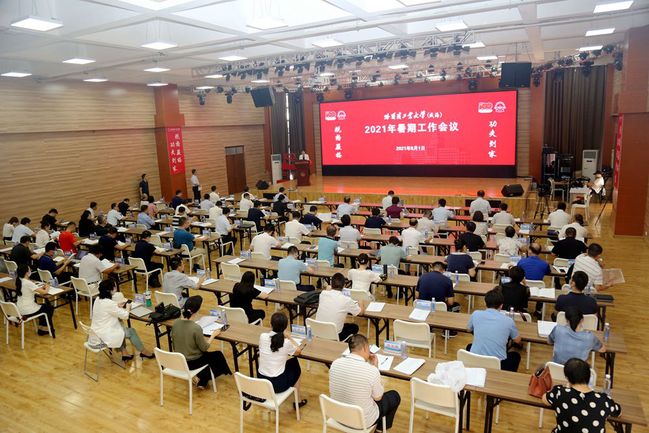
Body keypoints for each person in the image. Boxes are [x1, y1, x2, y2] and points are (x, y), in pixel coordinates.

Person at [330, 334, 401, 431]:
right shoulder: (371, 371)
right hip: (362, 422)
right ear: (365, 348)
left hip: (338, 416)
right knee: (394, 396)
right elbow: (378, 397)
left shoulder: (335, 363)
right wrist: (375, 367)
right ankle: (379, 430)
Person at [543, 358, 621, 432]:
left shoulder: (559, 393)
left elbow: (545, 399)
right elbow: (618, 412)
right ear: (589, 376)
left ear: (567, 378)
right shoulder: (603, 400)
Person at [172, 295, 231, 388]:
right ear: (197, 310)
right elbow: (204, 348)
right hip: (193, 361)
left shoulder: (176, 323)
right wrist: (213, 335)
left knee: (208, 356)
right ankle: (202, 379)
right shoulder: (196, 328)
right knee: (218, 356)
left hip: (181, 359)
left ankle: (201, 379)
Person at [91, 279, 154, 361]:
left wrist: (117, 304)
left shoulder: (97, 299)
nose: (116, 288)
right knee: (131, 331)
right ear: (109, 290)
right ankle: (144, 352)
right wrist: (128, 307)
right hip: (105, 335)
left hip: (95, 332)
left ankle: (125, 354)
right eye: (114, 287)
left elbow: (107, 308)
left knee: (120, 325)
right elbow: (125, 316)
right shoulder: (109, 303)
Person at [258, 312, 306, 407]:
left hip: (262, 381)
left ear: (270, 324)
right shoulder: (286, 342)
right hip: (278, 385)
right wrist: (289, 337)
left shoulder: (262, 336)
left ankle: (297, 400)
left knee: (287, 362)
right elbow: (298, 351)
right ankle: (298, 401)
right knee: (294, 363)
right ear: (285, 327)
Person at [467, 288, 522, 371]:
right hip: (497, 364)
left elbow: (468, 329)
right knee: (515, 356)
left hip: (475, 360)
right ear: (501, 305)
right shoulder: (509, 321)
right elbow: (517, 340)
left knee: (469, 347)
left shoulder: (476, 314)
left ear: (485, 303)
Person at [316, 272, 363, 341]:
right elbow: (360, 313)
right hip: (335, 336)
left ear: (331, 284)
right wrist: (361, 300)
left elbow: (327, 289)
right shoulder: (346, 300)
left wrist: (328, 288)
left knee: (344, 325)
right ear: (344, 286)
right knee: (354, 327)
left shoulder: (323, 294)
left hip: (318, 332)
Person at [15, 264, 55, 336]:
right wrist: (48, 286)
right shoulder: (28, 283)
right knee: (49, 308)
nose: (30, 271)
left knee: (44, 307)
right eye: (29, 270)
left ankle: (41, 327)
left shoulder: (19, 280)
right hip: (27, 310)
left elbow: (31, 290)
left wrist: (40, 288)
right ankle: (42, 329)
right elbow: (45, 292)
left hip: (19, 308)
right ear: (26, 272)